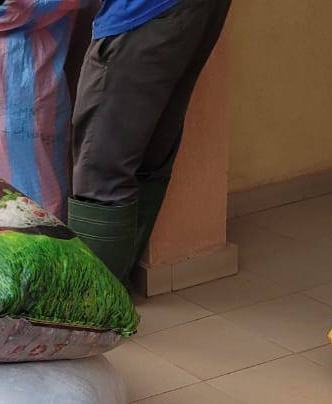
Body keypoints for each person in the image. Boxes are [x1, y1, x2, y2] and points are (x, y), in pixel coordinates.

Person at [67, 0, 232, 282]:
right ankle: (117, 284)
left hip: (144, 11)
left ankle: (91, 299)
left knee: (101, 169)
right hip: (198, 11)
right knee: (149, 153)